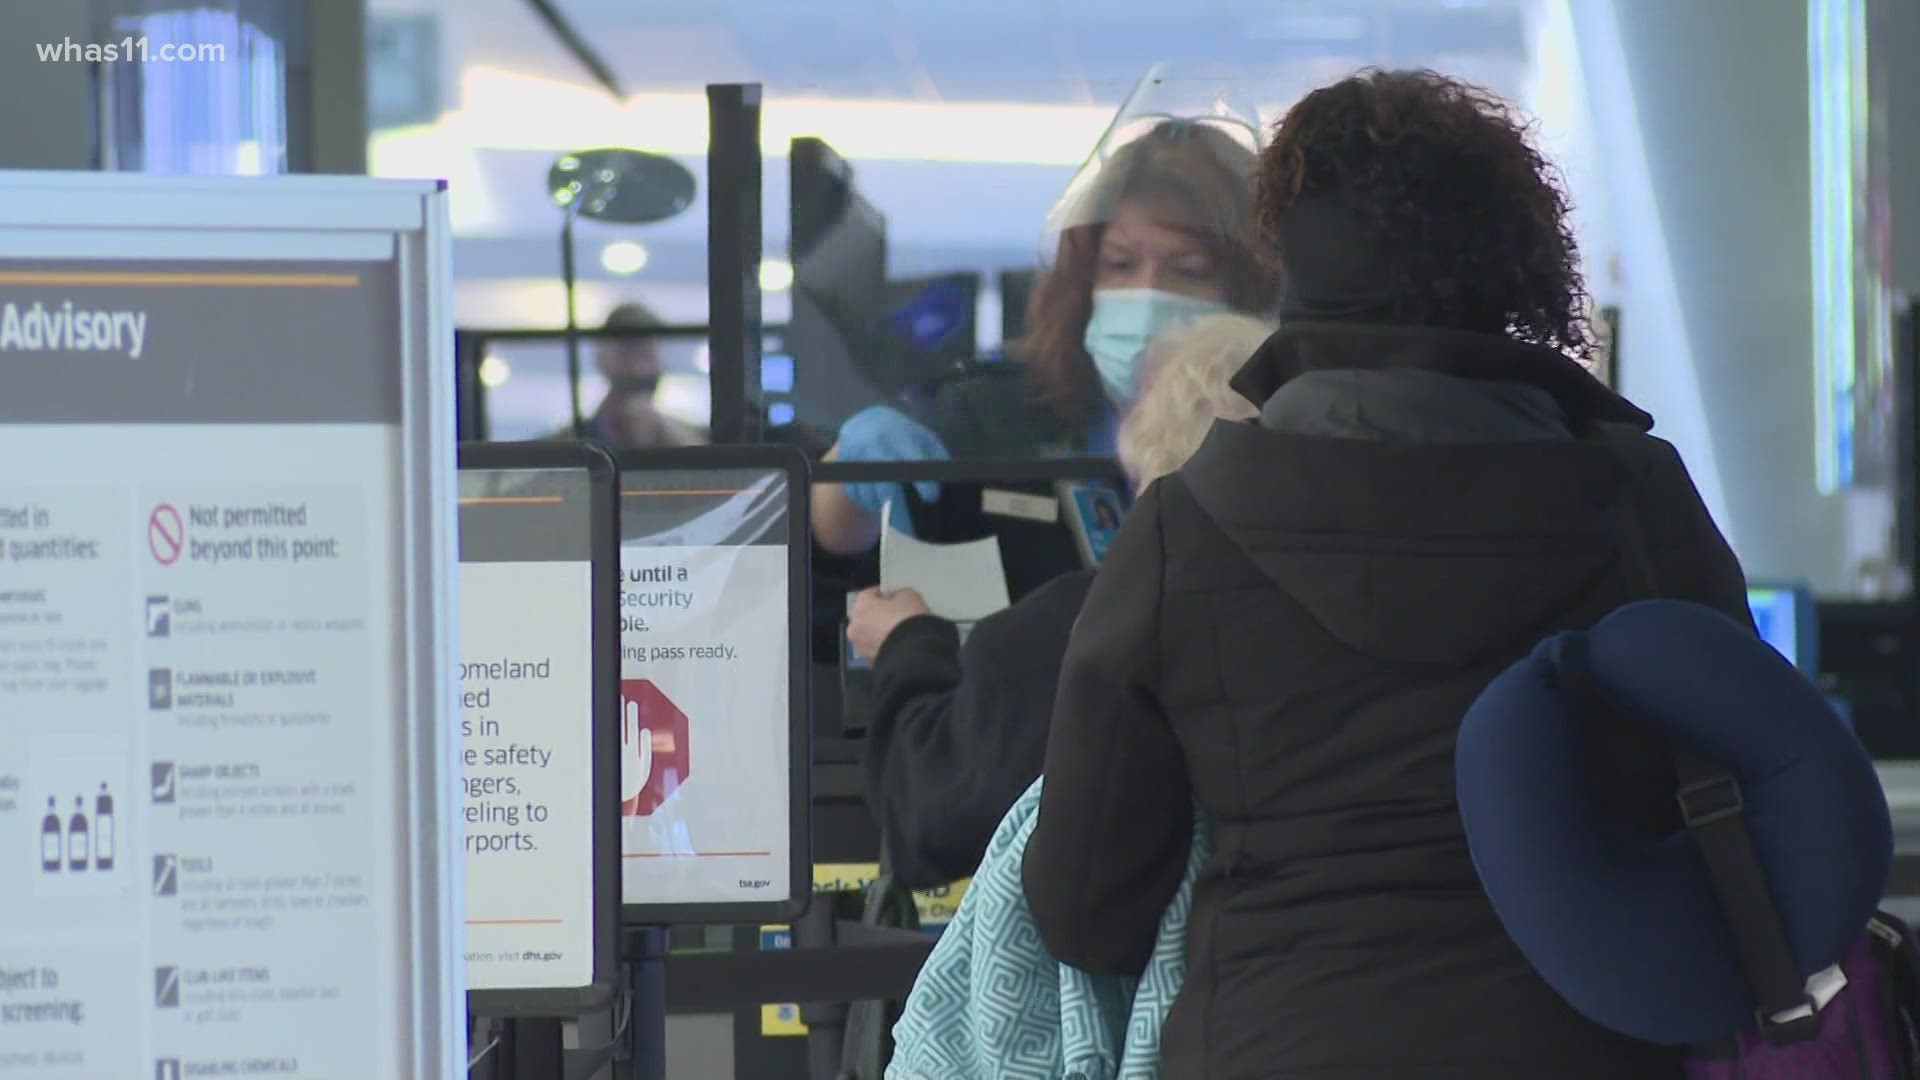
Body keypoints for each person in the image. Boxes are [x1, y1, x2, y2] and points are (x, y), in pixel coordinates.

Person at [1022, 69, 1748, 1080]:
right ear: (1520, 262)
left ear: (1294, 268)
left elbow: (1086, 908)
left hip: (1273, 1044)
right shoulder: (1637, 501)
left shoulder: (1184, 530)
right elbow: (1745, 772)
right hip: (1591, 1043)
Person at [846, 313, 1271, 889]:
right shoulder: (1342, 604)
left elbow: (928, 818)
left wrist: (906, 648)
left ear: (1144, 441)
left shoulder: (1095, 623)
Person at [811, 105, 1283, 555]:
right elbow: (839, 542)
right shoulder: (996, 412)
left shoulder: (1290, 429)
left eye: (1189, 270)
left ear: (1252, 293)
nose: (1147, 293)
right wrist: (849, 473)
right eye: (1120, 264)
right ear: (1084, 280)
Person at [549, 302, 704, 448]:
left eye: (645, 353)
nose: (636, 367)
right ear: (602, 357)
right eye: (626, 352)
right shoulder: (564, 445)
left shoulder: (692, 438)